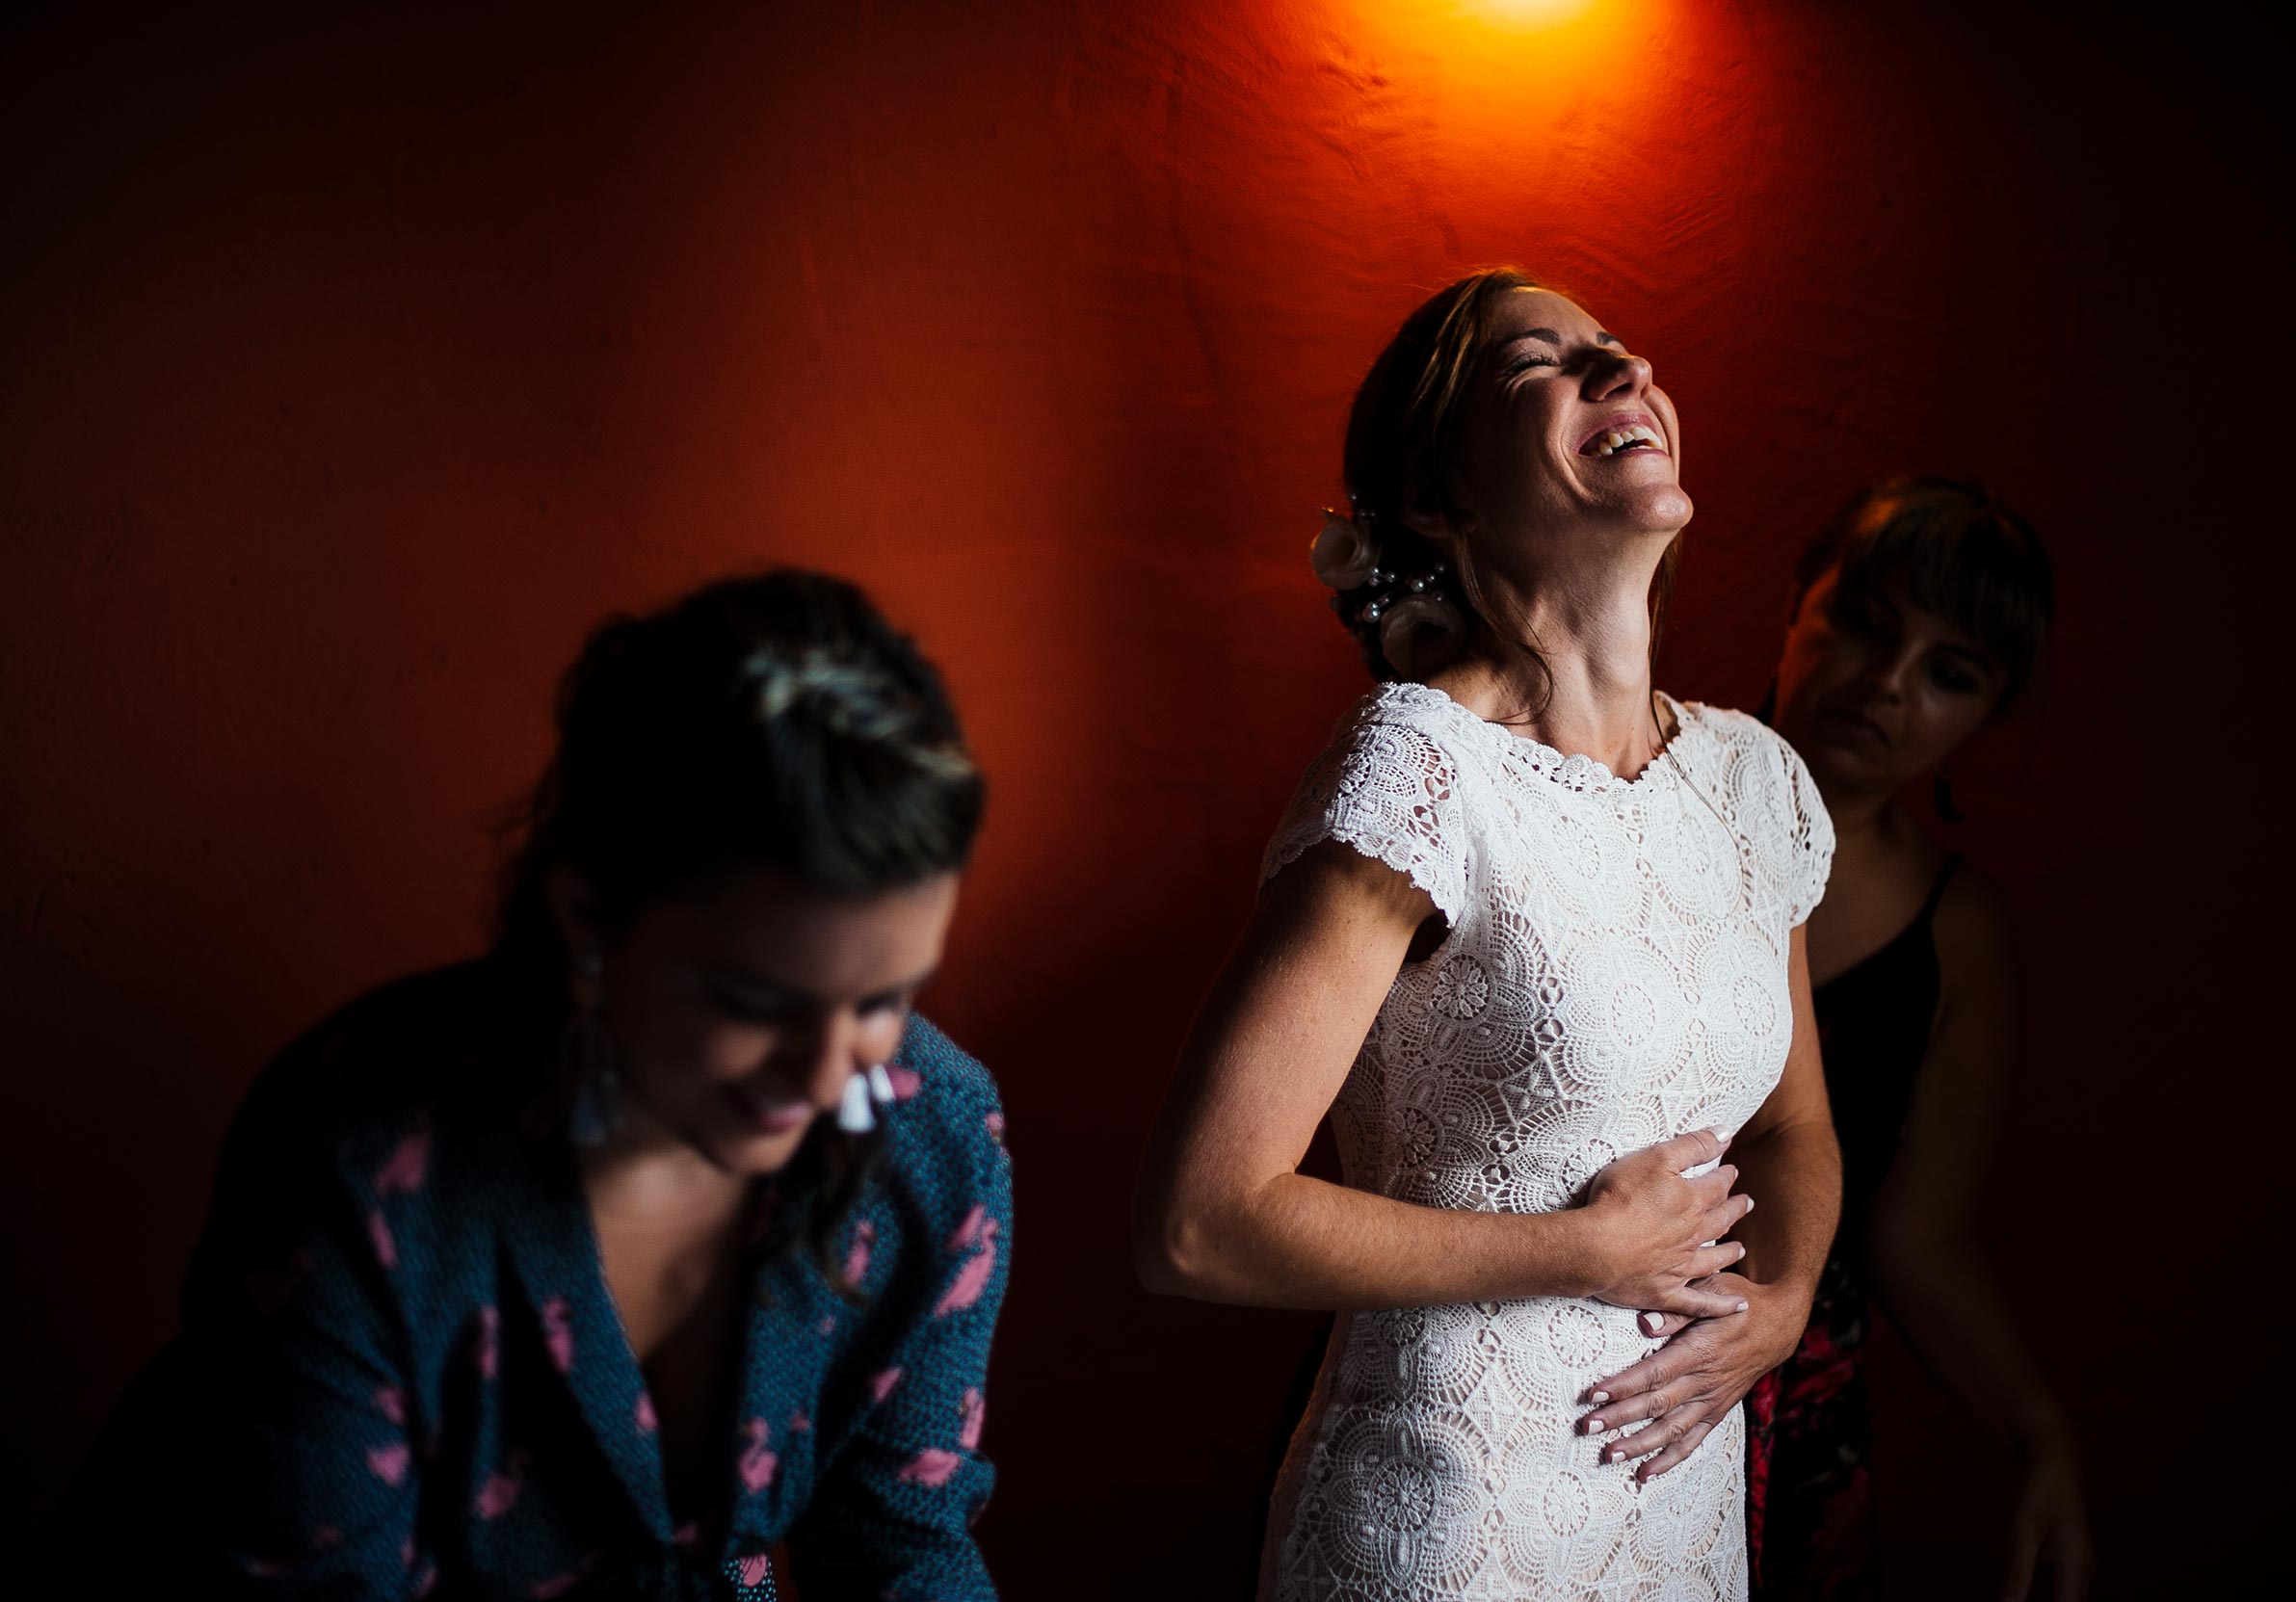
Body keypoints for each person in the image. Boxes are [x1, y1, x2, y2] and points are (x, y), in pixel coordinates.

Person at [42, 570, 1011, 1600]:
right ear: (589, 916)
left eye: (883, 997)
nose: (824, 1074)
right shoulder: (363, 1165)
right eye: (754, 1002)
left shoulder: (935, 1140)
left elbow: (905, 1549)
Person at [1134, 268, 1843, 1600]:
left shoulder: (1754, 782)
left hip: (1679, 1534)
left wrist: (1786, 1298)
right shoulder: (1421, 768)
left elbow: (1793, 1124)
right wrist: (1584, 1250)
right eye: (1538, 363)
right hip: (1443, 1526)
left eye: (1619, 349)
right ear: (1437, 497)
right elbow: (1201, 1219)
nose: (1622, 370)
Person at [1747, 479, 2087, 1600]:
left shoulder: (1955, 931)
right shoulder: (1623, 795)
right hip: (1554, 1361)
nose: (1888, 682)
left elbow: (1916, 1236)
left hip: (1795, 1432)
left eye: (1950, 672)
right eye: (1865, 624)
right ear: (1797, 604)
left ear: (1985, 714)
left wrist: (2037, 1429)